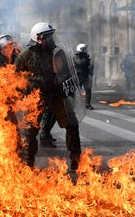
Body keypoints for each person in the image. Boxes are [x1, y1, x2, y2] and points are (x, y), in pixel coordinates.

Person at [15, 22, 82, 170]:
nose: (51, 39)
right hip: (37, 95)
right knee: (31, 130)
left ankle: (76, 159)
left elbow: (68, 72)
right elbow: (16, 75)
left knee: (72, 124)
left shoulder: (58, 52)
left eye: (51, 35)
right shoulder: (26, 55)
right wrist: (28, 86)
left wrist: (68, 86)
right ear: (38, 38)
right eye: (47, 36)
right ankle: (28, 163)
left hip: (57, 94)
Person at [73, 43, 94, 110]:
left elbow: (89, 65)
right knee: (77, 91)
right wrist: (86, 59)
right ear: (81, 49)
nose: (86, 50)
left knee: (88, 90)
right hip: (79, 76)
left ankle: (87, 104)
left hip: (85, 75)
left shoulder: (86, 56)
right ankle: (76, 105)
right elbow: (79, 62)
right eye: (84, 49)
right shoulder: (77, 56)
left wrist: (90, 72)